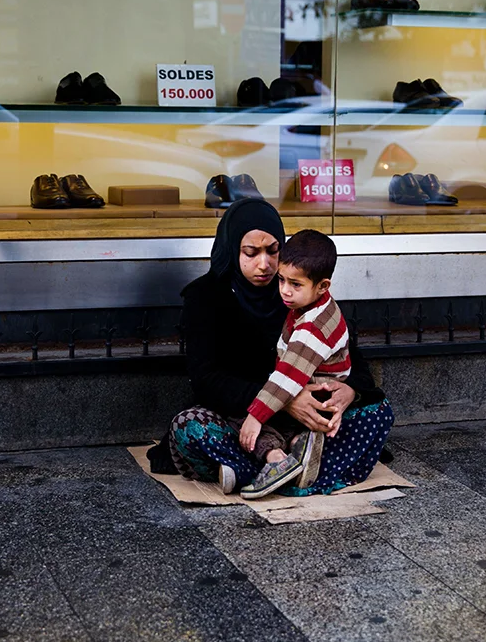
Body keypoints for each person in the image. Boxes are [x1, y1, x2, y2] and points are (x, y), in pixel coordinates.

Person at [147, 198, 394, 497]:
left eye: (273, 251)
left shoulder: (298, 291)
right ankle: (295, 470)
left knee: (378, 411)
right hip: (242, 418)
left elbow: (353, 362)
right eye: (250, 253)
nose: (264, 264)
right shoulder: (206, 297)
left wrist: (349, 392)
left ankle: (259, 473)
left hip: (306, 426)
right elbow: (206, 381)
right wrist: (284, 400)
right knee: (188, 427)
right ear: (232, 249)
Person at [235, 228, 350, 500]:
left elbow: (287, 377)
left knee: (241, 420)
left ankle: (278, 460)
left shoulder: (312, 327)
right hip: (313, 394)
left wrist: (255, 416)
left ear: (322, 286)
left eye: (295, 285)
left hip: (314, 398)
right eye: (282, 280)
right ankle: (300, 447)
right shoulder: (314, 306)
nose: (285, 291)